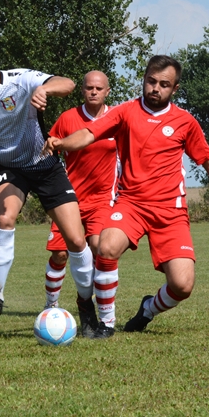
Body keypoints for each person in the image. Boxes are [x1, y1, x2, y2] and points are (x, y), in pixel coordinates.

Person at [43, 55, 209, 333]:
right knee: (106, 247)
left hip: (171, 212)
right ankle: (106, 323)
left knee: (182, 285)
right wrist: (61, 143)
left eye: (164, 84)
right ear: (144, 80)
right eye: (151, 81)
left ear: (174, 89)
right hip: (131, 204)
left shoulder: (185, 122)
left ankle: (148, 309)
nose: (155, 88)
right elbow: (89, 134)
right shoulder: (125, 112)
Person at [0, 33, 99, 332]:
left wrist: (45, 90)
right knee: (5, 217)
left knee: (76, 240)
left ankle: (86, 304)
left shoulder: (21, 79)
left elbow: (67, 83)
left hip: (45, 165)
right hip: (8, 167)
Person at [42, 71, 120, 338]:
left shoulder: (117, 119)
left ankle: (89, 309)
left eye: (99, 88)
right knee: (60, 255)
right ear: (82, 91)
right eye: (89, 87)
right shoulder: (67, 119)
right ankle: (50, 307)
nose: (94, 92)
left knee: (99, 250)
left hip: (102, 201)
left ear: (107, 91)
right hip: (69, 200)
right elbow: (49, 149)